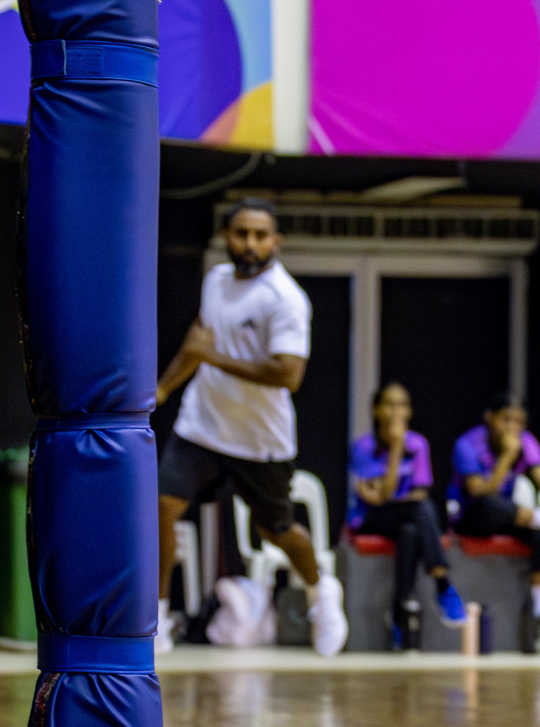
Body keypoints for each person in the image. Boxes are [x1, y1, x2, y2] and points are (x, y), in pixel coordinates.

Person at [153, 198, 348, 657]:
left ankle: (322, 594)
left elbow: (288, 374)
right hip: (201, 425)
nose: (250, 242)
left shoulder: (286, 299)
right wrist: (161, 390)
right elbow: (197, 340)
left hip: (259, 439)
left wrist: (213, 358)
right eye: (241, 233)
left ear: (275, 242)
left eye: (260, 235)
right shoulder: (217, 280)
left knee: (276, 529)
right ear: (227, 237)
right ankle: (156, 617)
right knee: (161, 507)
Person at [451, 390, 540, 654]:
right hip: (472, 516)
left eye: (519, 422)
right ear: (489, 418)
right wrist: (507, 457)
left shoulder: (525, 441)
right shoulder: (467, 445)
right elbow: (481, 493)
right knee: (490, 504)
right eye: (506, 420)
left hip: (511, 514)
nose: (513, 428)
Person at [346, 382, 466, 649]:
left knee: (411, 530)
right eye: (389, 404)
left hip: (406, 518)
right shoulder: (363, 447)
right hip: (371, 519)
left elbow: (420, 493)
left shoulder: (419, 444)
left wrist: (391, 493)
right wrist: (397, 449)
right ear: (376, 410)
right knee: (418, 512)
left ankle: (400, 614)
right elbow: (381, 498)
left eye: (402, 405)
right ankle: (443, 583)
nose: (395, 411)